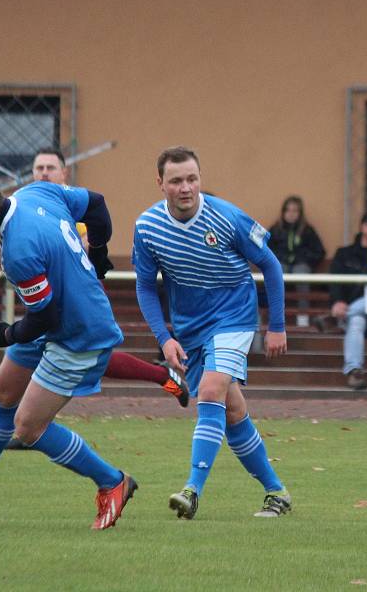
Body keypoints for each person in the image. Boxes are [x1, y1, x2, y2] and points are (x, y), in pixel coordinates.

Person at [0, 163, 137, 530]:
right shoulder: (37, 191)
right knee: (1, 392)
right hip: (62, 315)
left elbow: (44, 318)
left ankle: (113, 480)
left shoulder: (18, 248)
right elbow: (97, 205)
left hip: (78, 333)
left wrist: (7, 334)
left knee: (28, 427)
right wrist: (98, 254)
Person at [133, 146, 291, 520]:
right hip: (190, 329)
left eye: (192, 179)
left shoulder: (227, 217)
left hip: (235, 318)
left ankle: (192, 489)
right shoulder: (147, 228)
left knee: (209, 390)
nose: (186, 187)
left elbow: (270, 264)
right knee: (232, 410)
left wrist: (277, 326)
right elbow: (143, 286)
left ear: (200, 179)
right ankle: (277, 492)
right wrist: (164, 337)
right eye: (176, 181)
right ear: (160, 184)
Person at [32, 148, 188, 406]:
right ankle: (23, 422)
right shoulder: (31, 206)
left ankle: (25, 424)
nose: (45, 173)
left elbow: (89, 242)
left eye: (51, 168)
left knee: (87, 356)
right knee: (63, 354)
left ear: (64, 173)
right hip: (47, 293)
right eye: (40, 168)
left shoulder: (74, 204)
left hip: (81, 294)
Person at [325, 209, 367, 390]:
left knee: (362, 307)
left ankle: (334, 318)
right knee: (355, 321)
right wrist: (337, 302)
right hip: (359, 314)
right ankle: (354, 370)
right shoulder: (344, 254)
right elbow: (335, 282)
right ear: (364, 227)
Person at [267, 195, 325, 327]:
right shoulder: (276, 230)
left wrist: (305, 260)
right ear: (283, 212)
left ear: (300, 213)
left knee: (302, 273)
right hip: (282, 264)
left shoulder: (307, 230)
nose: (291, 214)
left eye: (295, 210)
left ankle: (303, 315)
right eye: (288, 210)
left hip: (300, 264)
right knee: (277, 271)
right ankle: (276, 314)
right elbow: (266, 250)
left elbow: (319, 251)